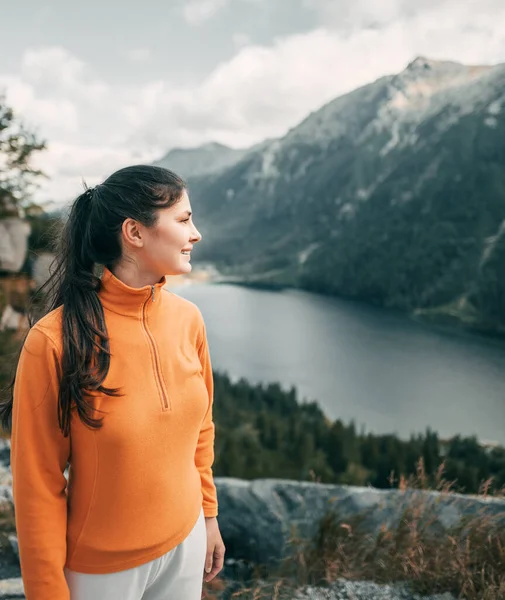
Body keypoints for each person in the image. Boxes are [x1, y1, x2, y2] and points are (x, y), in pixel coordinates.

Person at [1, 165, 225, 600]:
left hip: (187, 538)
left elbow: (201, 430)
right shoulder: (52, 341)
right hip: (101, 572)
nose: (195, 233)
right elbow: (38, 487)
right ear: (134, 233)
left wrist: (209, 516)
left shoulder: (189, 321)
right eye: (183, 220)